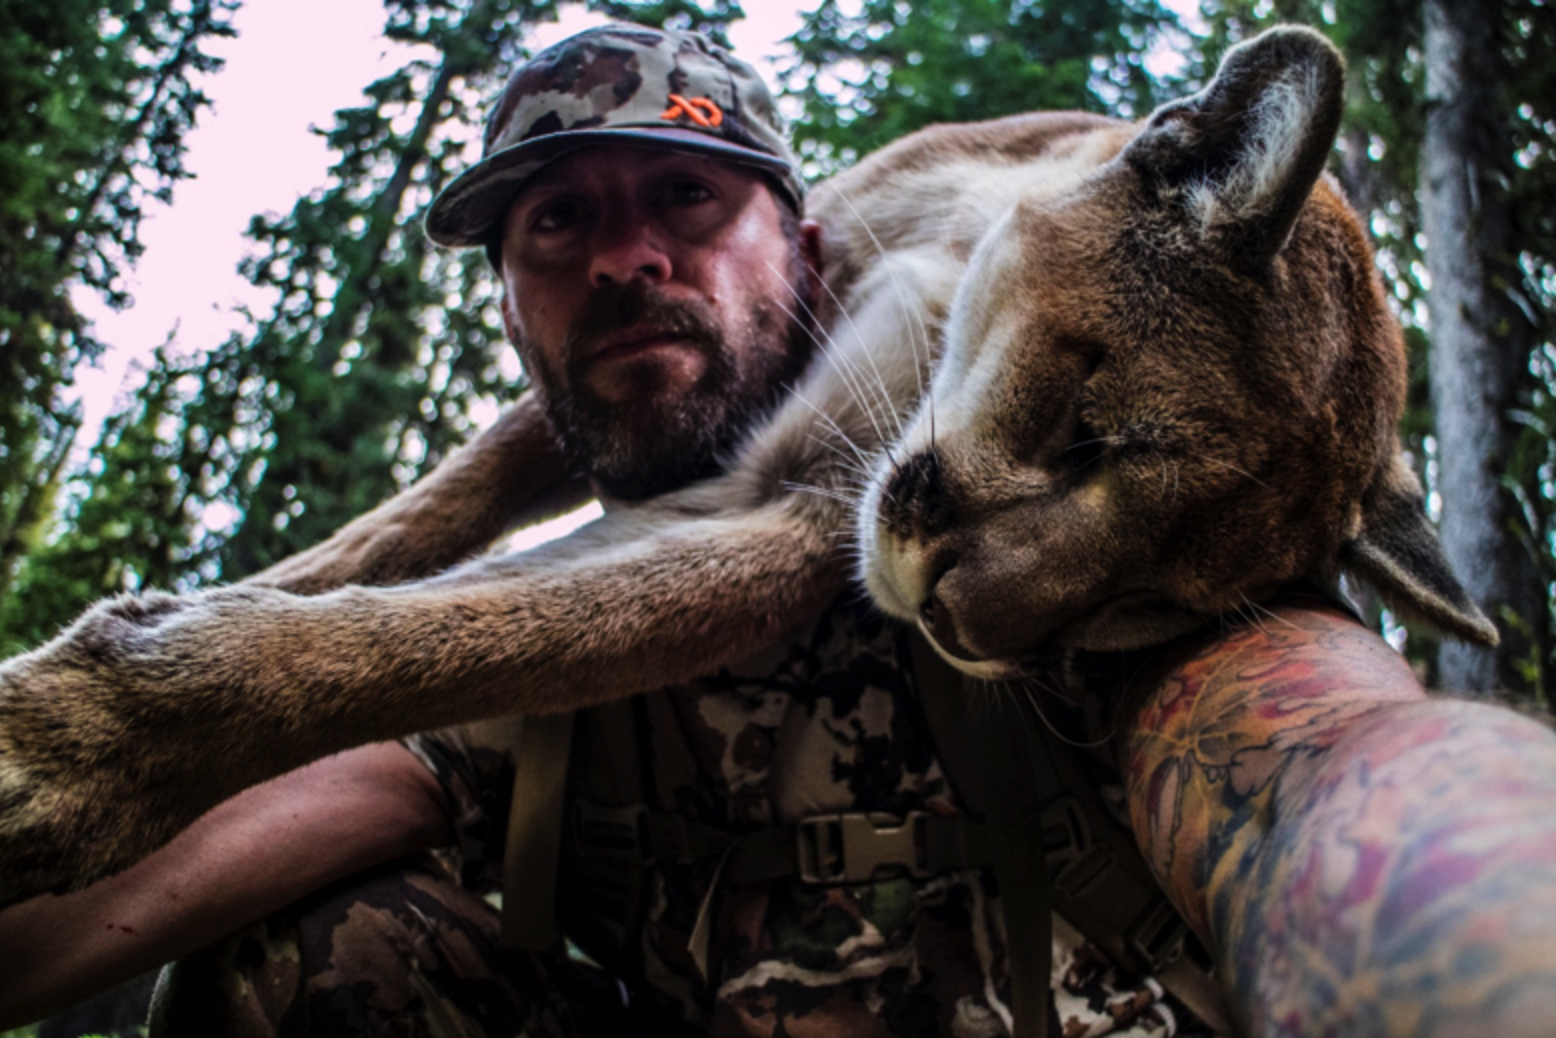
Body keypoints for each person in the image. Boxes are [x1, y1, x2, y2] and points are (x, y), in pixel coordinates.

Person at [3, 22, 1556, 1038]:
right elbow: (195, 844)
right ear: (510, 308)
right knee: (296, 955)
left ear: (807, 239)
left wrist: (1489, 944)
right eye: (560, 224)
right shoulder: (545, 624)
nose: (627, 261)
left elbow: (1319, 764)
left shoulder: (1172, 534)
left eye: (686, 200)